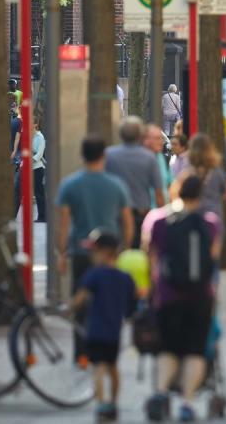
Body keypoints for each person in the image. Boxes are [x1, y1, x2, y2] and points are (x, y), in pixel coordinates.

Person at [144, 175, 221, 422]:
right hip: (200, 297)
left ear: (175, 190)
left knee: (167, 348)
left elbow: (151, 256)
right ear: (201, 194)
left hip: (168, 296)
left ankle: (161, 392)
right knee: (194, 350)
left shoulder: (157, 220)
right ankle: (187, 403)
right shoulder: (210, 223)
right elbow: (213, 259)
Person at [57, 137, 134, 362]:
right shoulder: (116, 185)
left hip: (81, 252)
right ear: (104, 156)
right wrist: (124, 249)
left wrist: (62, 253)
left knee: (79, 301)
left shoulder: (70, 185)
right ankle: (104, 352)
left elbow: (63, 225)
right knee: (107, 303)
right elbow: (127, 222)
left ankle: (81, 353)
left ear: (83, 155)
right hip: (109, 253)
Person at [69, 232, 136, 423]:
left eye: (95, 251)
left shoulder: (94, 275)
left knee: (98, 367)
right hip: (114, 332)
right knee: (113, 367)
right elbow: (131, 306)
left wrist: (69, 308)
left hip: (95, 330)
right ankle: (113, 403)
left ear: (105, 252)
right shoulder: (125, 278)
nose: (92, 255)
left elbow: (79, 299)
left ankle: (100, 404)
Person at [106, 117, 164, 249]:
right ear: (140, 136)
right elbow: (158, 192)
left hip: (116, 213)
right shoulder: (149, 158)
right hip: (141, 213)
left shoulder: (109, 155)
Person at [14, 120, 47, 222]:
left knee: (39, 192)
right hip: (24, 167)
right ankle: (12, 215)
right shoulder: (26, 134)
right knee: (17, 189)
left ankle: (42, 217)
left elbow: (39, 154)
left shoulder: (40, 137)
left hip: (36, 168)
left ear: (36, 124)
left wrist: (29, 161)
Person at [144, 124, 172, 206]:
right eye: (157, 139)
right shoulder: (140, 158)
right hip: (148, 210)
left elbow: (169, 183)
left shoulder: (161, 157)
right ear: (146, 140)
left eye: (161, 139)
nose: (161, 142)